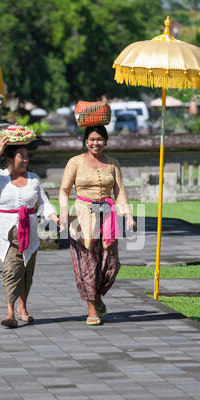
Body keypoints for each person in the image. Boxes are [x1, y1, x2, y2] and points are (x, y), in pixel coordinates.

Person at [59, 126, 136, 326]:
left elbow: (120, 193)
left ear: (106, 141)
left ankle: (97, 295)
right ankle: (92, 309)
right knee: (87, 265)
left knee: (112, 265)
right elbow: (64, 190)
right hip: (81, 216)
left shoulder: (113, 164)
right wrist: (64, 214)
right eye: (92, 139)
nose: (96, 143)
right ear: (86, 140)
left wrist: (128, 216)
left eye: (100, 139)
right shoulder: (74, 162)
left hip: (107, 215)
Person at [0, 136, 59, 328]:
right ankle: (9, 312)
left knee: (26, 273)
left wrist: (54, 217)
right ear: (9, 159)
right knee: (11, 271)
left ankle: (22, 308)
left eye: (26, 156)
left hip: (30, 233)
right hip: (8, 235)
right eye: (20, 156)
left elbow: (43, 203)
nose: (25, 160)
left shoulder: (33, 179)